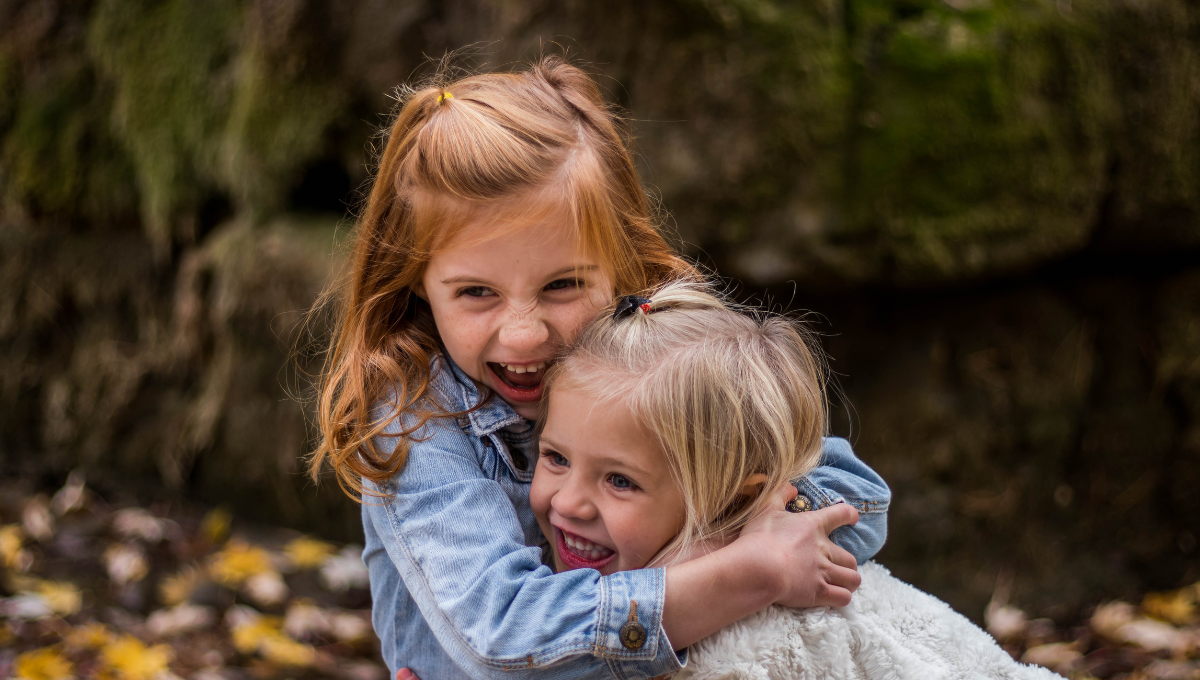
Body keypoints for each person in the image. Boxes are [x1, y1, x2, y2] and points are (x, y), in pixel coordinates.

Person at [309, 56, 890, 679]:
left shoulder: (659, 363)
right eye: (476, 293)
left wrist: (713, 555)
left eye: (562, 284)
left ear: (622, 261)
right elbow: (507, 643)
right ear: (418, 285)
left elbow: (856, 500)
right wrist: (742, 572)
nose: (525, 332)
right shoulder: (416, 417)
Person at [531, 281, 1060, 680]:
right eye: (555, 457)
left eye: (620, 481)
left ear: (732, 502)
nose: (569, 502)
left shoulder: (760, 641)